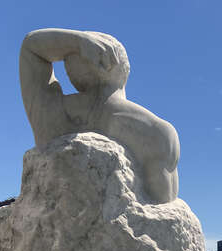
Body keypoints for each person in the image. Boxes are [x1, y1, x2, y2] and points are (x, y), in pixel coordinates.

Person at [19, 28, 179, 204]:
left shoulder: (54, 114)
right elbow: (164, 212)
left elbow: (31, 48)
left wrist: (77, 41)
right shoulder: (157, 132)